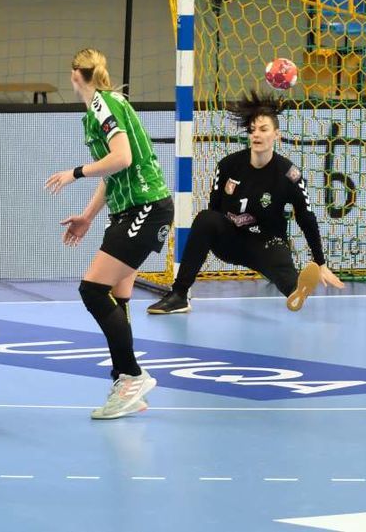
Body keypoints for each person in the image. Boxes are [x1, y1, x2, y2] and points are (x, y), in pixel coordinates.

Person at [44, 48, 173, 420]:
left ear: (74, 76)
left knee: (92, 290)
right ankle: (124, 382)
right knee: (119, 295)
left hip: (145, 207)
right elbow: (114, 173)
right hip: (131, 209)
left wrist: (76, 172)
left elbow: (123, 158)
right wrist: (86, 216)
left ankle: (132, 376)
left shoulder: (103, 105)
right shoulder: (99, 109)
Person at [147, 91, 344, 315]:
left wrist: (320, 262)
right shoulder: (228, 166)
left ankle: (295, 291)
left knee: (281, 264)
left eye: (264, 129)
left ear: (277, 135)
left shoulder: (289, 174)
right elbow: (214, 211)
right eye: (253, 130)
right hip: (231, 242)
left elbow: (307, 218)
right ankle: (179, 295)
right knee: (205, 219)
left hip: (266, 243)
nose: (257, 135)